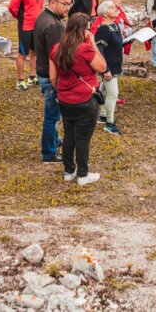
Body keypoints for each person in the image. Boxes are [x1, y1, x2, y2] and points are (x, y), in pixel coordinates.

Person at [49, 13, 106, 186]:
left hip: (65, 99)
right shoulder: (84, 49)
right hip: (85, 99)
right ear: (82, 30)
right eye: (88, 29)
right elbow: (102, 67)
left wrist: (63, 90)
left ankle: (69, 171)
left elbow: (53, 78)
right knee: (82, 139)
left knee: (69, 136)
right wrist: (93, 43)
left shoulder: (56, 48)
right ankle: (83, 175)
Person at [34, 0, 72, 163]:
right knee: (52, 117)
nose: (68, 8)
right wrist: (57, 81)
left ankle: (54, 141)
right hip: (50, 77)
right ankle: (48, 153)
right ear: (53, 2)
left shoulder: (44, 17)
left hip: (44, 73)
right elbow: (56, 58)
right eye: (65, 4)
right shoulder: (53, 25)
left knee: (53, 115)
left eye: (69, 4)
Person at [91, 0, 132, 105]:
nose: (120, 0)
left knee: (108, 90)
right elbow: (99, 46)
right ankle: (108, 119)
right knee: (110, 91)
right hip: (107, 61)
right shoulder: (103, 24)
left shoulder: (115, 21)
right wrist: (105, 69)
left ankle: (104, 111)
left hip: (114, 57)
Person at [8, 0, 46, 90]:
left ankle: (32, 76)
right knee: (22, 54)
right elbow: (12, 6)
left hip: (37, 26)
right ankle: (20, 81)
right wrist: (20, 17)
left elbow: (40, 5)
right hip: (25, 26)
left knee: (34, 53)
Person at [95, 1, 124, 134]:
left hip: (116, 64)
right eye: (111, 7)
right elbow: (99, 50)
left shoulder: (115, 25)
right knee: (113, 94)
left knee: (108, 92)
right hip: (108, 67)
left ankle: (103, 115)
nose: (115, 9)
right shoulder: (104, 29)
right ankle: (109, 123)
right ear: (104, 13)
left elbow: (116, 44)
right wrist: (105, 69)